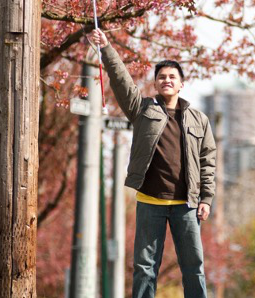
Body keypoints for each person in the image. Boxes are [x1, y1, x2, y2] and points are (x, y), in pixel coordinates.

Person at [92, 29, 217, 298]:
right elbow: (122, 82)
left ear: (181, 84)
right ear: (156, 83)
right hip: (150, 201)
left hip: (187, 204)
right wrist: (107, 48)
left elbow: (208, 161)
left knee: (194, 267)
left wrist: (206, 198)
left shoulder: (199, 119)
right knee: (144, 267)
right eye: (162, 77)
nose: (167, 80)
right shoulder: (143, 109)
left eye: (172, 77)